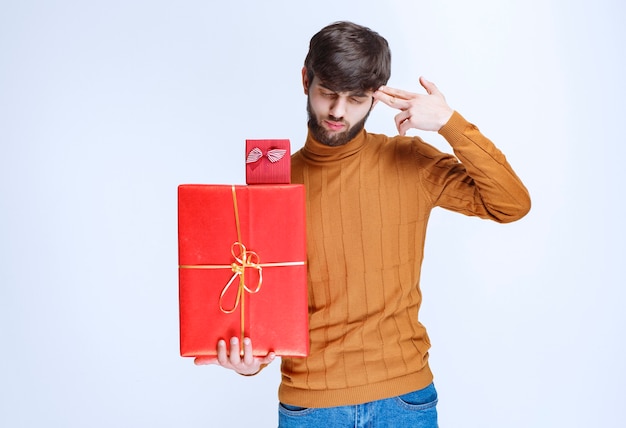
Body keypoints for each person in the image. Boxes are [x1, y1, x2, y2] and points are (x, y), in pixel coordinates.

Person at [195, 21, 531, 427]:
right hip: (310, 406)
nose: (338, 111)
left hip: (404, 400)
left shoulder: (411, 162)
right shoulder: (273, 183)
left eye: (356, 99)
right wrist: (251, 363)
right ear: (306, 80)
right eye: (328, 93)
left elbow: (511, 204)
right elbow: (264, 304)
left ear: (376, 97)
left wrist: (449, 123)